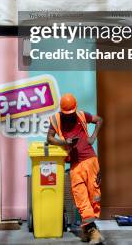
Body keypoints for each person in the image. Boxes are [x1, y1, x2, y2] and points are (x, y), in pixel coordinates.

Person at [47, 93, 104, 244]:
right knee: (81, 198)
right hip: (74, 164)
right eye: (67, 114)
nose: (69, 116)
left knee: (94, 197)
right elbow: (49, 138)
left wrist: (93, 137)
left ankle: (89, 229)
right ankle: (92, 232)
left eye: (71, 113)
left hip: (90, 160)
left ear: (75, 108)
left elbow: (99, 120)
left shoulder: (82, 115)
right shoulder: (56, 119)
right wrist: (65, 143)